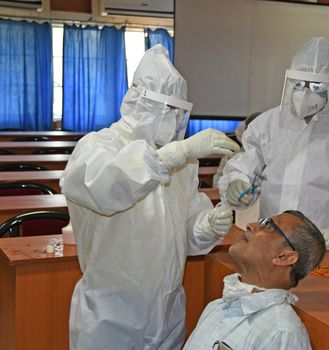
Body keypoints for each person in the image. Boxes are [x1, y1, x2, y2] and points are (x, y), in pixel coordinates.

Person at [60, 45, 240, 350]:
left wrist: (206, 226)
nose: (173, 121)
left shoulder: (182, 163)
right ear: (140, 103)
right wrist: (175, 154)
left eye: (178, 112)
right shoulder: (98, 147)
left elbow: (184, 230)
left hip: (167, 309)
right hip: (111, 314)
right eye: (167, 110)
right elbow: (107, 189)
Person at [218, 37, 329, 250]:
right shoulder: (267, 124)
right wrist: (236, 184)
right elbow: (244, 165)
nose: (304, 94)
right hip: (270, 243)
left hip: (327, 244)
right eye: (298, 84)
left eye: (316, 86)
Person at [183, 210, 325, 349]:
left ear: (284, 257)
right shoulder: (216, 307)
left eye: (269, 225)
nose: (250, 225)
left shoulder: (281, 331)